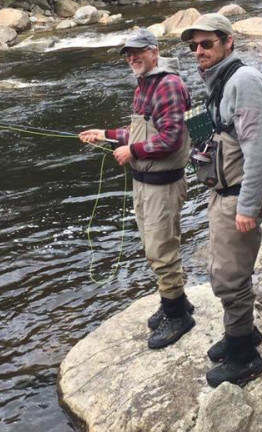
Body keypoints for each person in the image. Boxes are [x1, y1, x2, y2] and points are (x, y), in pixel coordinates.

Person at [79, 29, 194, 350]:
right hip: (145, 183)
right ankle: (178, 303)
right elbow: (141, 129)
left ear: (154, 52)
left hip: (163, 185)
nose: (132, 58)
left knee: (161, 249)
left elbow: (171, 138)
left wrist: (133, 152)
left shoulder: (168, 84)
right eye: (128, 53)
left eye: (138, 52)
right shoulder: (146, 84)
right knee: (154, 247)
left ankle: (178, 316)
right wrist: (106, 134)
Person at [180, 14, 262, 387]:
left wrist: (249, 207)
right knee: (224, 270)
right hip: (223, 193)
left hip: (238, 198)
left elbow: (261, 151)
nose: (199, 51)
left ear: (228, 42)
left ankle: (244, 356)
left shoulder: (244, 82)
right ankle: (244, 333)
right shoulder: (218, 82)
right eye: (194, 46)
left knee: (229, 277)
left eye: (207, 44)